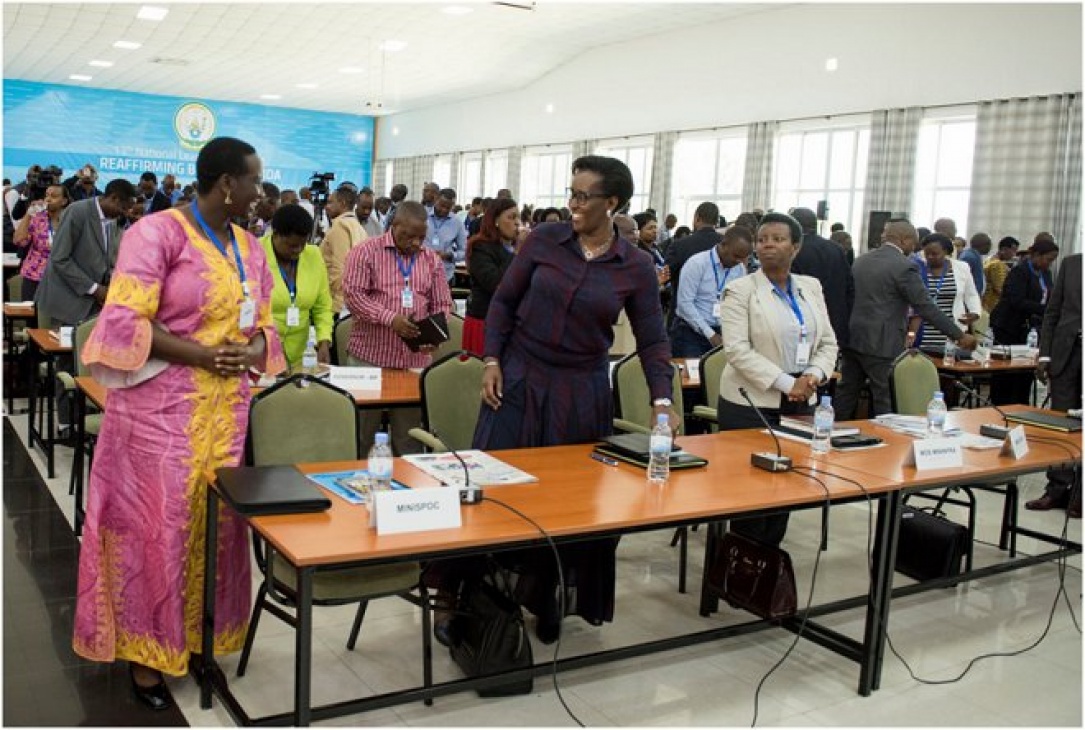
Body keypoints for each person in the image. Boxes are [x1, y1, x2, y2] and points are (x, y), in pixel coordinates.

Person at [72, 136, 286, 710]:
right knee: (158, 532)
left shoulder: (251, 246)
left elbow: (265, 324)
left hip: (225, 416)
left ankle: (196, 638)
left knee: (214, 530)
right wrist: (200, 355)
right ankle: (146, 658)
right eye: (254, 181)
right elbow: (121, 323)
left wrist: (255, 347)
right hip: (159, 417)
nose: (259, 191)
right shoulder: (158, 234)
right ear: (226, 184)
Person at [476, 155, 674, 643]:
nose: (573, 203)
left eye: (584, 196)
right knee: (496, 490)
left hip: (581, 390)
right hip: (520, 379)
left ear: (613, 203)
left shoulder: (636, 265)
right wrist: (492, 359)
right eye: (572, 193)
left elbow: (652, 339)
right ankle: (475, 598)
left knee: (567, 504)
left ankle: (546, 599)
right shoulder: (545, 240)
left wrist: (662, 402)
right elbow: (503, 301)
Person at [717, 212, 839, 545]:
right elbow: (737, 351)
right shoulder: (740, 289)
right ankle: (742, 571)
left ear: (795, 247)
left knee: (786, 487)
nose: (768, 245)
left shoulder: (811, 287)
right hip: (750, 402)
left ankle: (769, 568)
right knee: (750, 496)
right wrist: (788, 383)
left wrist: (812, 376)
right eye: (762, 239)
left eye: (778, 239)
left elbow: (828, 342)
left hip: (801, 403)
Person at [834, 219, 977, 420]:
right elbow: (925, 306)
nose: (914, 248)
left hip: (853, 338)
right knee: (885, 399)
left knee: (846, 394)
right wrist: (959, 335)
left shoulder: (860, 260)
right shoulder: (904, 267)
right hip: (882, 343)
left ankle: (831, 436)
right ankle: (887, 445)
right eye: (914, 243)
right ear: (904, 240)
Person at [342, 201, 452, 455]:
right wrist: (390, 319)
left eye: (421, 237)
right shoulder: (366, 252)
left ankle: (409, 490)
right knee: (360, 435)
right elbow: (355, 298)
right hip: (369, 361)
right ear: (394, 226)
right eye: (408, 236)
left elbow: (443, 303)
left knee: (410, 437)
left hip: (413, 362)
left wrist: (436, 334)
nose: (415, 243)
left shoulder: (430, 260)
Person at [35, 178, 137, 326]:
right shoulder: (77, 211)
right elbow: (59, 258)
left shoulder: (113, 221)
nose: (125, 213)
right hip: (64, 304)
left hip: (92, 306)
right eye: (123, 208)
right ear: (113, 198)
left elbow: (107, 260)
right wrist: (95, 289)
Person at [1029, 253, 1082, 518]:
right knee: (1061, 425)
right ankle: (1057, 488)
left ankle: (1080, 495)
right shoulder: (1073, 264)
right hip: (1065, 354)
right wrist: (1045, 354)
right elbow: (1053, 312)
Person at [261, 204, 334, 369]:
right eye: (292, 245)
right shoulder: (255, 254)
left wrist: (323, 341)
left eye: (303, 244)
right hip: (263, 354)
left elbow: (322, 306)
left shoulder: (313, 254)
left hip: (302, 355)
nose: (298, 250)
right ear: (276, 234)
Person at [989, 237, 1058, 405]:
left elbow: (1049, 296)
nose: (1049, 264)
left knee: (1024, 372)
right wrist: (1045, 310)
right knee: (1006, 373)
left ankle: (1020, 405)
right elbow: (1016, 300)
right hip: (1008, 326)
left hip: (1029, 328)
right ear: (1035, 255)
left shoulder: (1046, 274)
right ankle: (1002, 404)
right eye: (1048, 259)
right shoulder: (1019, 272)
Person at [672, 225, 751, 357]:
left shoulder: (739, 269)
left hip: (723, 333)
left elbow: (738, 303)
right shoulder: (697, 264)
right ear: (724, 244)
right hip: (691, 332)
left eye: (743, 258)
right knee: (692, 375)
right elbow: (684, 304)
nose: (739, 261)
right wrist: (710, 334)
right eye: (736, 256)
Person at [789, 207, 855, 350]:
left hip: (803, 326)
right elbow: (850, 288)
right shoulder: (836, 249)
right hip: (835, 323)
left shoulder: (793, 251)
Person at [906, 233, 981, 355]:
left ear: (946, 251)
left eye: (935, 254)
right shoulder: (917, 268)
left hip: (952, 328)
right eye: (927, 254)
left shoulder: (962, 267)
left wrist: (975, 312)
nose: (930, 257)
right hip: (923, 329)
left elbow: (971, 294)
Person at [463, 197, 518, 356]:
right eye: (511, 217)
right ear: (495, 221)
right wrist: (518, 252)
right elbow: (496, 283)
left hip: (513, 321)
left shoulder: (517, 248)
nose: (517, 223)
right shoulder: (480, 246)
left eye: (518, 217)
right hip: (486, 320)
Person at [12, 184, 70, 302]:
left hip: (61, 278)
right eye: (47, 195)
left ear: (64, 201)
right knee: (32, 318)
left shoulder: (71, 220)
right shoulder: (37, 218)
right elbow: (18, 240)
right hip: (34, 276)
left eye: (53, 196)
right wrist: (28, 214)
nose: (48, 199)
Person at [320, 187, 367, 312]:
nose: (326, 207)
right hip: (352, 298)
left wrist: (335, 304)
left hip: (338, 303)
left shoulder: (340, 226)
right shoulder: (357, 226)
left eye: (330, 202)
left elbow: (340, 268)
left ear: (343, 204)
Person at [425, 188, 467, 284]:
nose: (444, 210)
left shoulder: (457, 223)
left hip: (445, 275)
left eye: (448, 208)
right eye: (442, 205)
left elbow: (464, 251)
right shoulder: (423, 216)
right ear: (436, 199)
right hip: (421, 271)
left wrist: (450, 255)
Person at [982, 236, 1020, 313]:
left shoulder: (989, 260)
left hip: (985, 303)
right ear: (1004, 249)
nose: (1014, 254)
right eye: (1013, 250)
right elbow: (1001, 289)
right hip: (993, 306)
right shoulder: (997, 265)